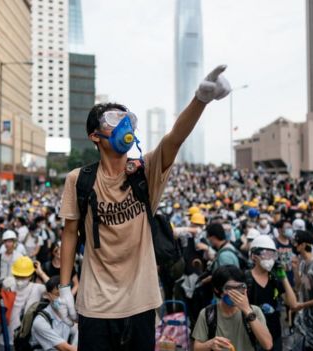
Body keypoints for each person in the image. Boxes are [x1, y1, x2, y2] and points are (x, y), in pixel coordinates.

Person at [59, 65, 232, 350]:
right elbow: (69, 233)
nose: (124, 125)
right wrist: (65, 288)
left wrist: (200, 99)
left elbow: (175, 137)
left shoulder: (145, 173)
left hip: (140, 303)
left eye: (128, 119)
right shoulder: (79, 179)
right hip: (95, 305)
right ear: (94, 136)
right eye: (114, 119)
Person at [191, 265, 273, 351]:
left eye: (239, 287)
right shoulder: (207, 314)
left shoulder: (254, 311)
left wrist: (248, 311)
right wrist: (209, 345)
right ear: (217, 290)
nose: (236, 293)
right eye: (229, 288)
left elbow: (268, 344)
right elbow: (196, 347)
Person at [246, 235, 298, 351]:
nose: (269, 258)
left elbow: (293, 304)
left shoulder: (275, 279)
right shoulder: (246, 279)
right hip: (252, 335)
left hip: (274, 334)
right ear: (254, 256)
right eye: (265, 254)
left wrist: (283, 277)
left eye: (272, 254)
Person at [30, 276, 78, 350]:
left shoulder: (68, 317)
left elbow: (78, 330)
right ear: (47, 295)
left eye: (65, 295)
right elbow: (65, 348)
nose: (62, 299)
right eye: (57, 295)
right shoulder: (41, 321)